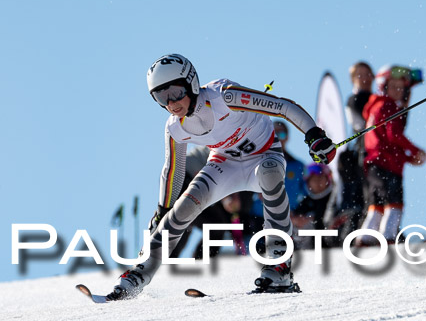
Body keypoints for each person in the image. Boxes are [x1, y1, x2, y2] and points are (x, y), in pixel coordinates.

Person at [107, 54, 336, 299]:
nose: (171, 103)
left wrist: (314, 134)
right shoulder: (175, 127)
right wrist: (163, 210)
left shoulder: (225, 96)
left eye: (175, 91)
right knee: (182, 209)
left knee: (269, 176)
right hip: (224, 164)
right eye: (161, 97)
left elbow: (282, 106)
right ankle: (138, 274)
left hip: (263, 155)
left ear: (191, 83)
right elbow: (173, 170)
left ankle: (278, 265)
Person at [358, 65, 426, 244]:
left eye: (401, 87)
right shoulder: (388, 106)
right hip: (387, 165)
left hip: (374, 163)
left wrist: (408, 158)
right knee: (395, 203)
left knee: (377, 205)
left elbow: (387, 143)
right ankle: (388, 237)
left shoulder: (375, 106)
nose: (398, 91)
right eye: (394, 86)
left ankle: (365, 238)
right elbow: (394, 135)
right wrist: (415, 151)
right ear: (383, 86)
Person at [337, 62, 374, 236]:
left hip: (377, 151)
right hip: (363, 151)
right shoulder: (354, 100)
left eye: (367, 74)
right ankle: (355, 234)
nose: (365, 78)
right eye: (360, 75)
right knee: (363, 194)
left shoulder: (377, 98)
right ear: (353, 79)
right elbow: (360, 125)